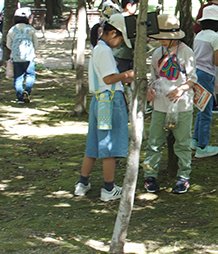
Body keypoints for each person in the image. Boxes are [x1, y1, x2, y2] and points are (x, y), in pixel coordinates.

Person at [74, 14, 134, 201]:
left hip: (98, 101)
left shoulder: (98, 48)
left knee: (93, 144)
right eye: (120, 38)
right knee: (110, 144)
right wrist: (127, 75)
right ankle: (108, 188)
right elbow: (109, 78)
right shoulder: (105, 51)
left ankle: (83, 183)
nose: (120, 43)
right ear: (113, 33)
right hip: (109, 102)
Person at [143, 14, 197, 194]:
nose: (161, 42)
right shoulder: (157, 53)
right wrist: (150, 90)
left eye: (164, 38)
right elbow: (154, 78)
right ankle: (150, 175)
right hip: (160, 104)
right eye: (159, 38)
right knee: (155, 141)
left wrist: (181, 89)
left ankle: (184, 176)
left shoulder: (186, 52)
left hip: (182, 105)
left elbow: (192, 79)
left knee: (182, 143)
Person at [191, 6, 218, 158]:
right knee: (207, 111)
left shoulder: (199, 35)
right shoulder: (215, 38)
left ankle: (195, 140)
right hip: (207, 74)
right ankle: (203, 146)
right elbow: (217, 61)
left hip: (196, 73)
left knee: (200, 106)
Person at [6, 8, 39, 104]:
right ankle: (27, 90)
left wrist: (14, 50)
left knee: (18, 77)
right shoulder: (30, 29)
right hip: (29, 57)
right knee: (30, 75)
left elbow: (8, 44)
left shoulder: (12, 30)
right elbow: (35, 43)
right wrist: (33, 51)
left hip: (16, 58)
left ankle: (19, 97)